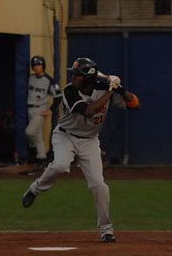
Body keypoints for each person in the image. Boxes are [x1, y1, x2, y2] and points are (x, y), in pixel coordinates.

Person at [22, 57, 141, 243]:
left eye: (77, 75)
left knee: (99, 185)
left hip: (90, 141)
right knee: (60, 165)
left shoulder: (103, 89)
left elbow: (135, 105)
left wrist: (121, 89)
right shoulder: (69, 90)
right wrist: (110, 91)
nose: (73, 77)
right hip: (65, 136)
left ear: (88, 79)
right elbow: (89, 110)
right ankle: (35, 189)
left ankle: (106, 230)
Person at [25, 56, 62, 167]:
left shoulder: (49, 80)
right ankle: (41, 158)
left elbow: (59, 96)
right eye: (35, 65)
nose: (37, 67)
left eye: (39, 65)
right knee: (38, 135)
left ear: (43, 66)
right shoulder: (30, 78)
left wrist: (50, 110)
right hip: (29, 108)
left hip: (40, 110)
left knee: (30, 132)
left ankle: (33, 151)